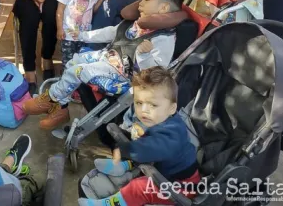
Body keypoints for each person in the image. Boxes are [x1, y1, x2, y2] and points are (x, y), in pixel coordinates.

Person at [22, 0, 186, 130]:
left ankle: (50, 99)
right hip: (109, 59)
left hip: (123, 77)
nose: (140, 4)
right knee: (75, 60)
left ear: (163, 8)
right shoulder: (140, 23)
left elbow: (154, 75)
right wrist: (82, 35)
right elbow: (113, 32)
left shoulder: (163, 38)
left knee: (78, 71)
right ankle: (61, 110)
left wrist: (144, 55)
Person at [78, 67, 200, 206]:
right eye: (139, 103)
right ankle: (121, 166)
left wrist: (126, 149)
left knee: (139, 187)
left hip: (181, 186)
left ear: (172, 108)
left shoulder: (173, 132)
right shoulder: (159, 118)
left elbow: (151, 148)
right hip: (162, 170)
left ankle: (110, 203)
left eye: (153, 105)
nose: (143, 110)